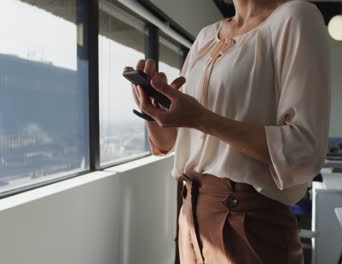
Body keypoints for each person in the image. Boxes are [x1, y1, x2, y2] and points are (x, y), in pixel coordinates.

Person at [125, 0, 330, 263]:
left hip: (247, 222)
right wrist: (152, 111)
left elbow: (304, 150)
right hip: (189, 214)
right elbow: (168, 143)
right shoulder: (206, 36)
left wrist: (202, 119)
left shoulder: (295, 17)